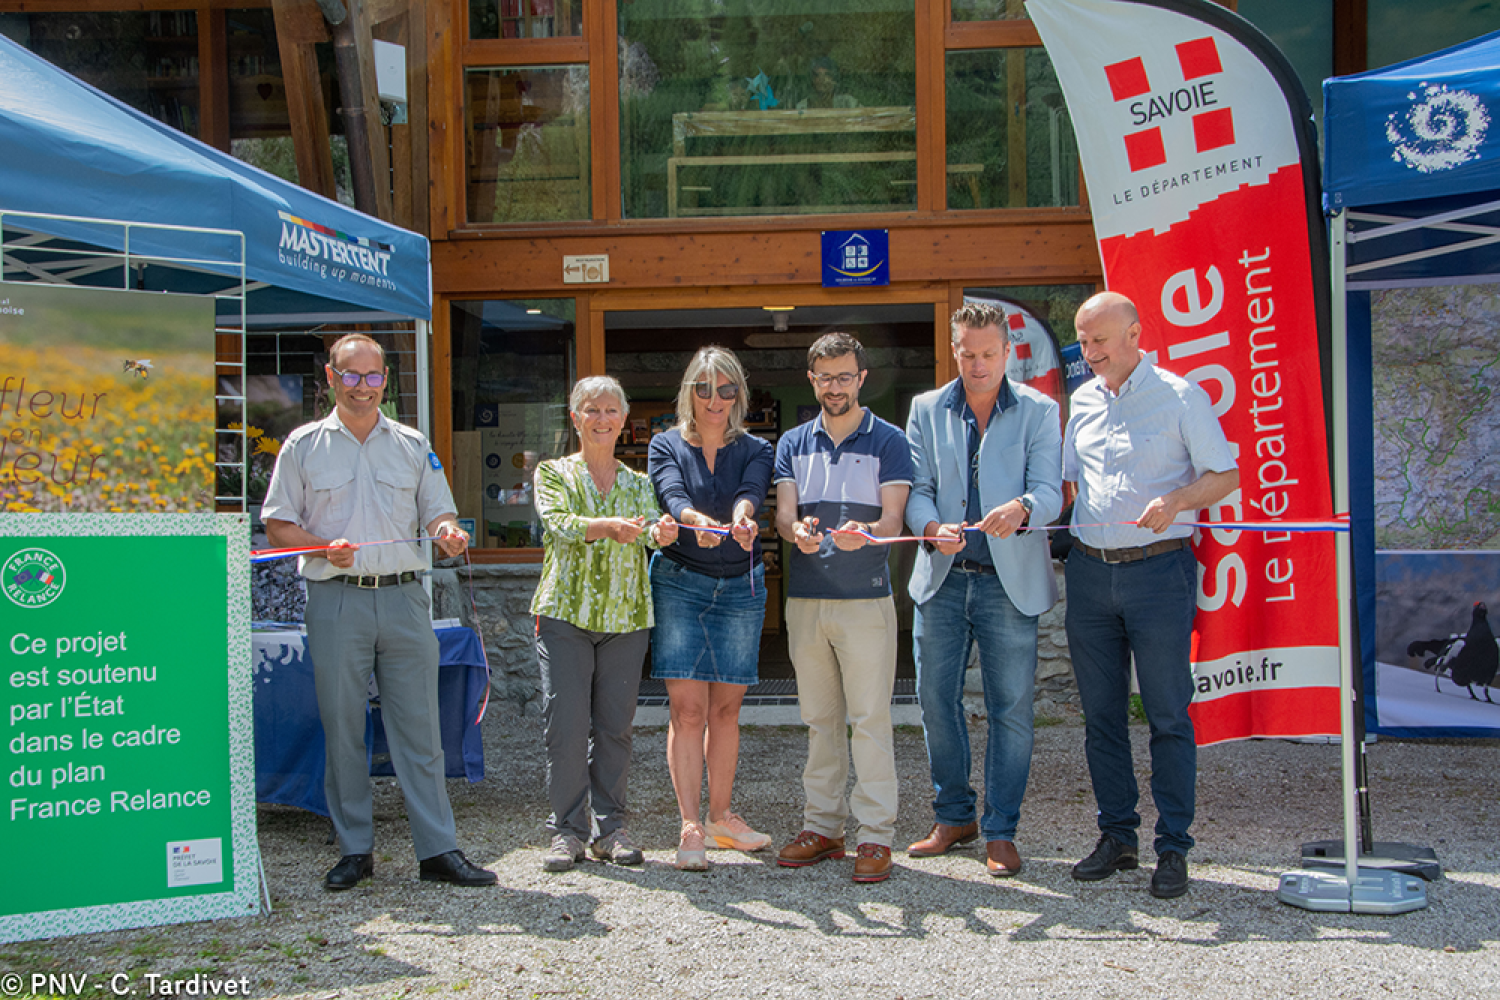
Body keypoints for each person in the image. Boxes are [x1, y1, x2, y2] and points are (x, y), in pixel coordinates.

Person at [262, 333, 496, 890]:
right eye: (350, 375)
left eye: (372, 377)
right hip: (336, 598)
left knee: (420, 729)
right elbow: (276, 526)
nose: (362, 387)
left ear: (385, 381)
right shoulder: (301, 445)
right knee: (343, 727)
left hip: (403, 598)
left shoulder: (414, 445)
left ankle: (437, 850)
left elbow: (441, 514)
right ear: (330, 377)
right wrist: (320, 546)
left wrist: (446, 534)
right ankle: (355, 849)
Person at [1063, 291, 1239, 899]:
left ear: (1135, 334)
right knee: (1102, 718)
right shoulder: (1081, 400)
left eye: (1100, 341)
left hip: (1159, 576)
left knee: (1166, 714)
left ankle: (1174, 848)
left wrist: (1179, 502)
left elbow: (1226, 474)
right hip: (1088, 575)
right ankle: (1118, 838)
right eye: (1084, 342)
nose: (1090, 354)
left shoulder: (1182, 396)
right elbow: (1070, 485)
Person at [904, 302, 1063, 878]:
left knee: (1012, 711)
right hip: (941, 582)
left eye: (989, 355)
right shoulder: (924, 408)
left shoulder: (1040, 410)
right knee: (933, 703)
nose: (977, 365)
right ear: (955, 349)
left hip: (1009, 583)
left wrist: (1023, 508)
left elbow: (1052, 492)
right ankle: (954, 817)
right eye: (967, 354)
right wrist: (928, 527)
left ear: (1008, 352)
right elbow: (917, 488)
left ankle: (1001, 830)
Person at [773, 333, 913, 883]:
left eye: (844, 376)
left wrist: (869, 533)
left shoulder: (890, 441)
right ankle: (824, 827)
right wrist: (797, 530)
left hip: (864, 599)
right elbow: (785, 517)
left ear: (861, 378)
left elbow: (893, 524)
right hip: (806, 598)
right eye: (825, 377)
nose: (835, 386)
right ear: (812, 380)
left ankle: (876, 836)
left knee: (870, 720)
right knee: (818, 719)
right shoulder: (792, 442)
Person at [531, 376, 679, 873]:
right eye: (591, 410)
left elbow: (654, 537)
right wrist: (609, 528)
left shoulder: (639, 484)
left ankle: (610, 830)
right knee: (567, 729)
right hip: (564, 617)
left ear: (623, 418)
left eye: (611, 410)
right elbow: (558, 524)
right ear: (575, 419)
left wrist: (664, 530)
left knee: (615, 729)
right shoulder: (553, 474)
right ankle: (567, 832)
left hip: (626, 620)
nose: (602, 419)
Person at [647, 347, 775, 870]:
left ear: (738, 395)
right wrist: (694, 518)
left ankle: (722, 817)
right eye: (704, 389)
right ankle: (690, 824)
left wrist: (743, 518)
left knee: (726, 711)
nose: (715, 399)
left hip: (740, 586)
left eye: (725, 389)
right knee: (688, 711)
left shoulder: (757, 448)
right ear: (688, 394)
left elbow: (752, 493)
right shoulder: (664, 444)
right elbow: (670, 494)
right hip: (680, 583)